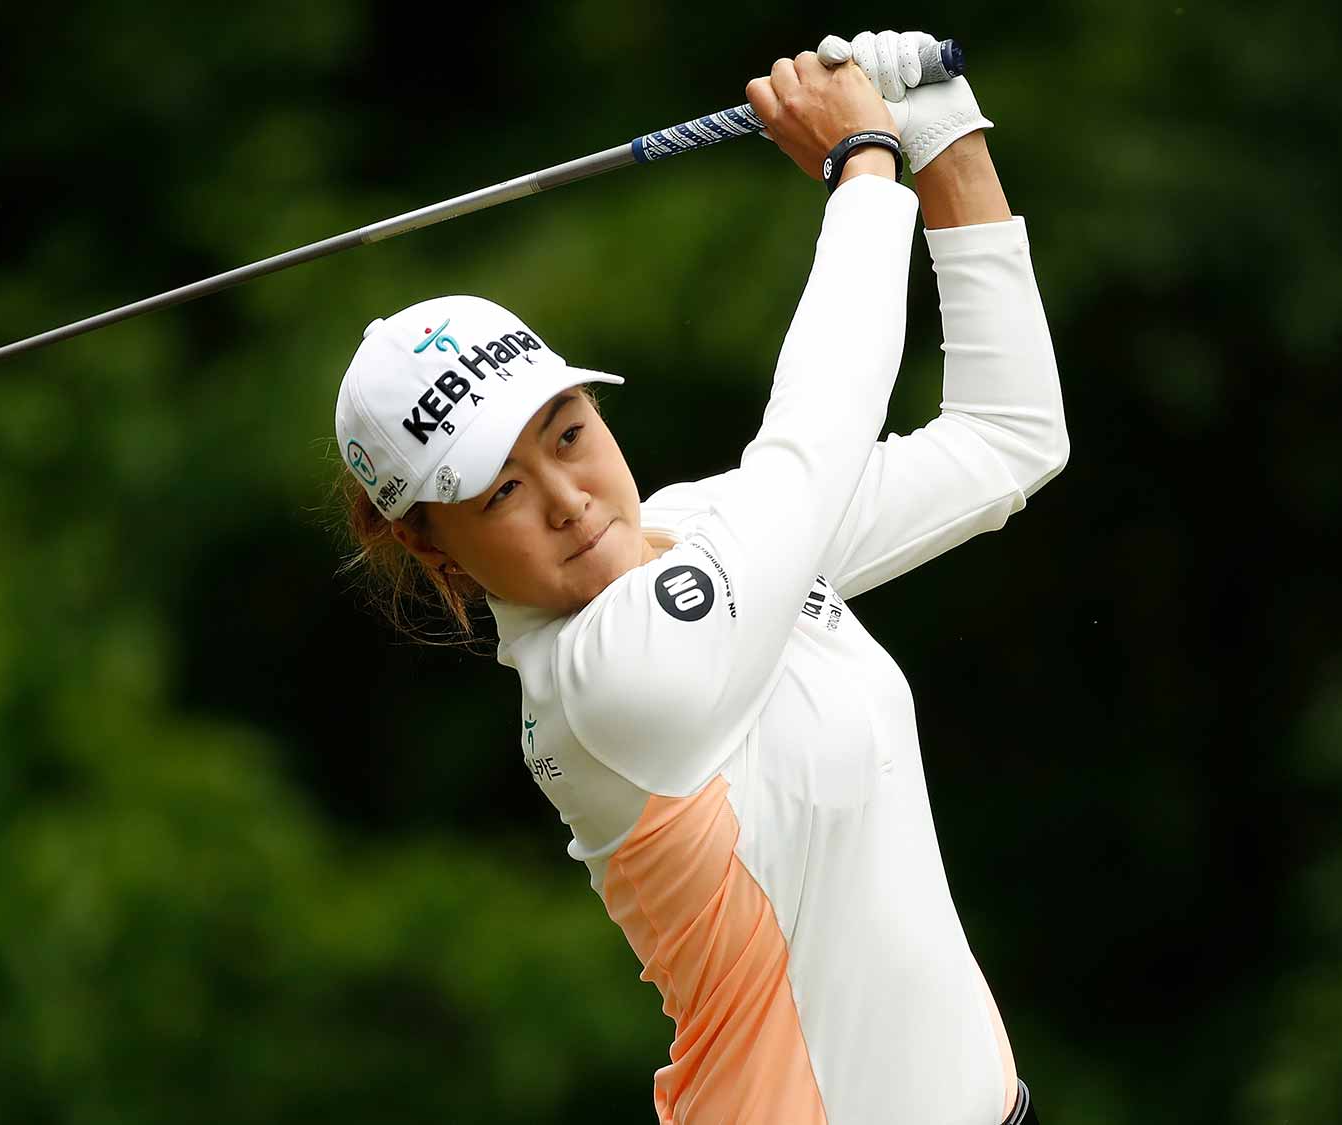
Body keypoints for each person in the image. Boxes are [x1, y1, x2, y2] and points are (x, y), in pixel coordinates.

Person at [331, 29, 1063, 1125]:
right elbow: (811, 438)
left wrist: (943, 139)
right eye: (497, 491)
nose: (567, 497)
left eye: (567, 434)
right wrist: (862, 167)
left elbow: (1007, 441)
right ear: (436, 551)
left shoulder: (709, 527)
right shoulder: (601, 685)